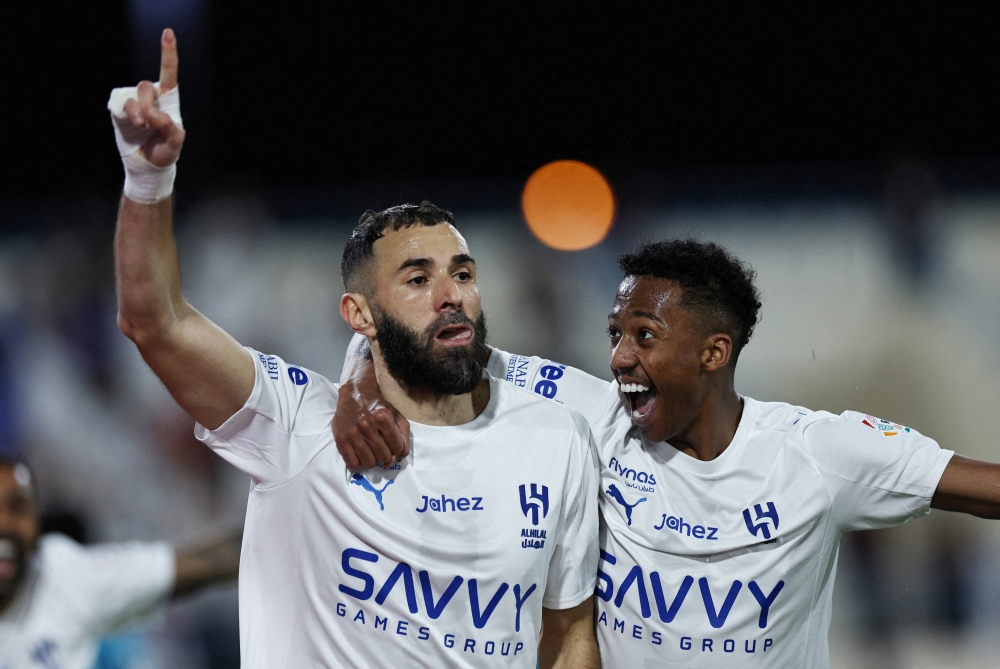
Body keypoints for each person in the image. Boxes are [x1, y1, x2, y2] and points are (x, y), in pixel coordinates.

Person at [108, 29, 601, 668]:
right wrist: (149, 178)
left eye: (463, 272)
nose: (450, 293)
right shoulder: (296, 426)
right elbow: (155, 321)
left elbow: (567, 636)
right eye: (418, 279)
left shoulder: (554, 437)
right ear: (358, 314)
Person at [336, 237, 1000, 668]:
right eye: (616, 333)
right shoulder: (593, 415)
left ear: (714, 352)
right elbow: (413, 343)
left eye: (645, 336)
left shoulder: (818, 454)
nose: (619, 356)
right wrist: (358, 388)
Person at [0, 456, 241, 668]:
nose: (4, 525)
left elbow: (202, 564)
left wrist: (273, 533)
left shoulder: (65, 576)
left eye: (18, 508)